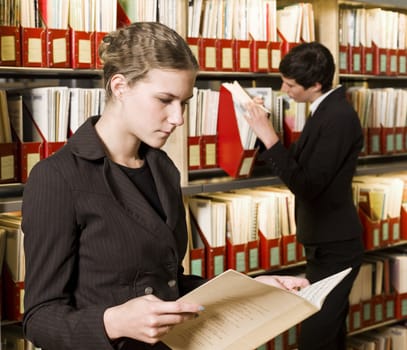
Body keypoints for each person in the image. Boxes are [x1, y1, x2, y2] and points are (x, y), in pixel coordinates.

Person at [22, 22, 309, 350]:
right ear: (120, 86)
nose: (179, 118)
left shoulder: (163, 168)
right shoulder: (57, 178)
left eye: (184, 102)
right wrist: (113, 322)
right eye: (165, 100)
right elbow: (39, 318)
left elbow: (168, 286)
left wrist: (251, 291)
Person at [244, 41, 365, 350]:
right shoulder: (323, 109)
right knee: (328, 330)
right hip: (324, 242)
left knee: (317, 334)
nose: (284, 89)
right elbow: (299, 163)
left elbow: (307, 184)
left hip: (336, 246)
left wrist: (268, 136)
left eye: (290, 84)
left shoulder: (338, 116)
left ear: (315, 84)